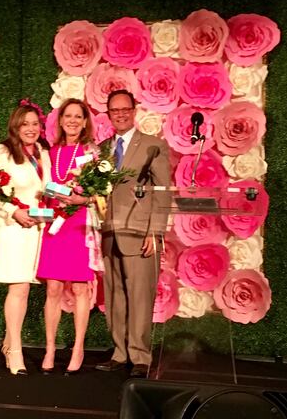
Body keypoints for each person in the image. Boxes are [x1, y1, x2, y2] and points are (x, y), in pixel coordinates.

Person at [95, 89, 171, 378]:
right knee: (115, 295)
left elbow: (162, 191)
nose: (121, 114)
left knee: (140, 295)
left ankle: (140, 355)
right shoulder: (102, 149)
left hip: (140, 233)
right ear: (109, 114)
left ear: (134, 109)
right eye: (115, 111)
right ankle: (119, 352)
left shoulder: (153, 145)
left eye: (125, 109)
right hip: (110, 232)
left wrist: (156, 232)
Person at [0, 101, 51, 375]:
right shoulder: (1, 152)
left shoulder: (43, 152)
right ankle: (15, 352)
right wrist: (14, 211)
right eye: (25, 124)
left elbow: (48, 189)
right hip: (11, 229)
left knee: (27, 288)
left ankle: (8, 342)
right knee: (19, 289)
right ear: (15, 126)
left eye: (35, 124)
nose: (30, 129)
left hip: (36, 228)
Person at [36, 98, 97, 376]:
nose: (72, 121)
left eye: (78, 116)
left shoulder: (92, 153)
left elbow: (98, 193)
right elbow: (41, 188)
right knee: (53, 289)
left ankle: (78, 348)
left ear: (85, 122)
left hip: (79, 224)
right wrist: (55, 195)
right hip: (55, 223)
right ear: (60, 121)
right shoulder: (49, 153)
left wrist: (80, 198)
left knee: (81, 288)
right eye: (67, 116)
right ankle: (50, 348)